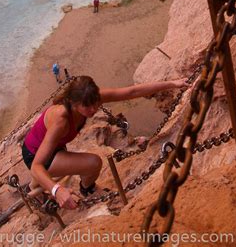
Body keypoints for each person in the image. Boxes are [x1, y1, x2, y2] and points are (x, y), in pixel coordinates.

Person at [22, 75, 187, 210]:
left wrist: (172, 83)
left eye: (96, 104)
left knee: (42, 177)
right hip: (35, 154)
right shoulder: (62, 120)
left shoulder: (91, 99)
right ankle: (88, 189)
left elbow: (132, 91)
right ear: (73, 103)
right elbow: (37, 165)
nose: (94, 110)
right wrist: (57, 190)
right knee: (94, 163)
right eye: (88, 107)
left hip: (50, 146)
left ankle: (32, 189)